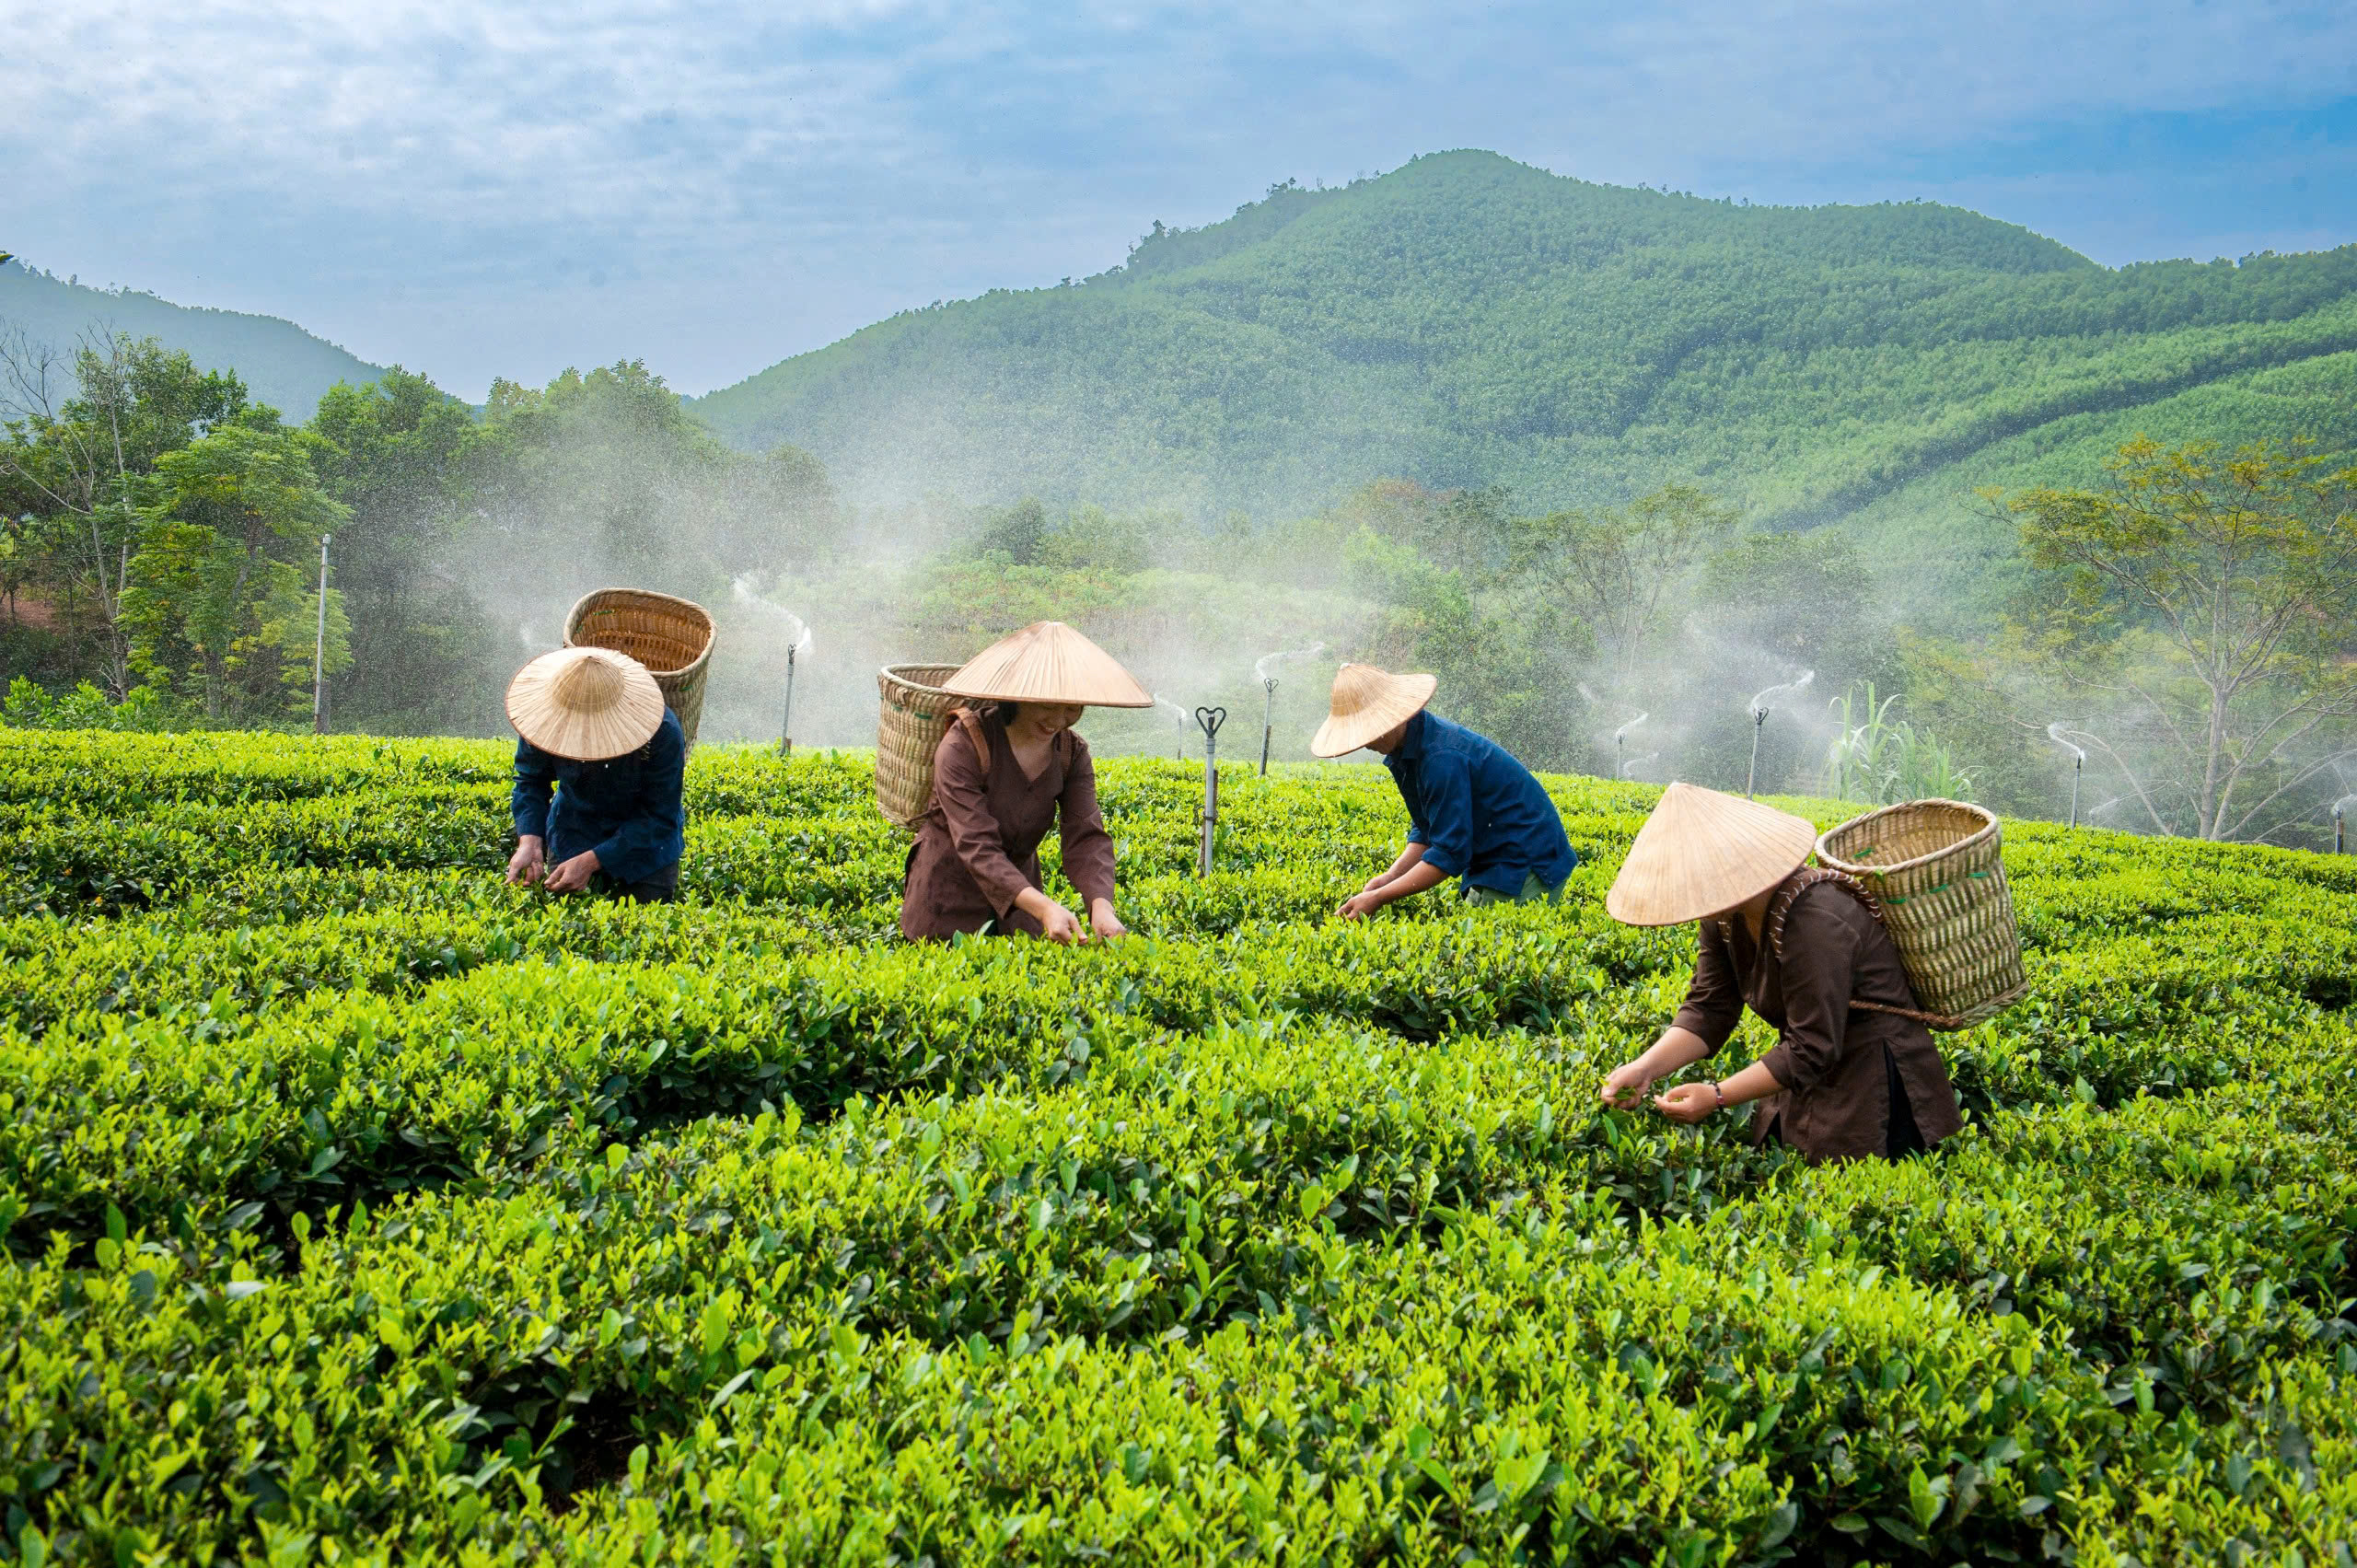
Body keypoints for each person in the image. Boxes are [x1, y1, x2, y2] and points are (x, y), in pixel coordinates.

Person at [1596, 782, 1963, 1161]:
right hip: (1803, 1070)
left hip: (1874, 1083)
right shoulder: (1722, 914)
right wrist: (1645, 1068)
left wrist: (1717, 1096)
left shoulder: (1816, 919)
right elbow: (1710, 1007)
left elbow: (1813, 1046)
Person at [900, 621, 1153, 942]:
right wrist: (1044, 907)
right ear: (1017, 696)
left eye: (1072, 708)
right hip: (946, 906)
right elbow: (976, 844)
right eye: (1047, 706)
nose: (1059, 720)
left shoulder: (1071, 753)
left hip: (1021, 913)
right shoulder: (963, 745)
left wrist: (1101, 905)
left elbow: (1086, 834)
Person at [1313, 663, 1577, 919]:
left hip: (1525, 863)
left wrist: (1379, 897)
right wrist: (1390, 877)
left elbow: (1449, 853)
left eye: (1369, 731)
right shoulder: (1406, 751)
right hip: (1492, 861)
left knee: (1497, 942)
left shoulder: (1441, 758)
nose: (1366, 742)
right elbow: (1427, 829)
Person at [505, 646, 687, 902]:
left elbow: (659, 815)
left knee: (643, 917)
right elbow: (531, 781)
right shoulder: (542, 721)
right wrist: (530, 841)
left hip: (645, 849)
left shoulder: (662, 732)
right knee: (567, 917)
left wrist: (592, 861)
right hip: (572, 831)